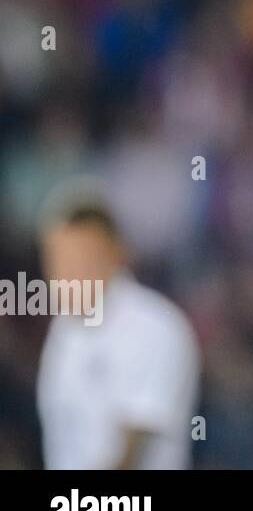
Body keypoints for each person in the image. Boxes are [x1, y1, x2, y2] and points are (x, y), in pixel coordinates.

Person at [37, 196, 200, 469]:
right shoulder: (63, 330)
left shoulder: (157, 328)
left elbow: (129, 453)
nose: (65, 275)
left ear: (114, 254)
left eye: (79, 259)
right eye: (58, 260)